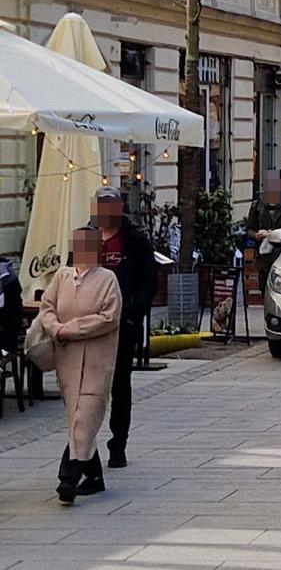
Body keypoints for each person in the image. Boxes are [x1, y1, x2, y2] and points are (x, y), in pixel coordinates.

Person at [37, 226, 122, 504]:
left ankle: (68, 478)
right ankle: (95, 477)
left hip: (97, 362)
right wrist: (55, 329)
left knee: (85, 418)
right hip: (68, 361)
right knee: (78, 420)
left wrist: (72, 328)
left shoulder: (107, 279)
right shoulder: (62, 276)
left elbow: (109, 317)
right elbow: (47, 308)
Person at [91, 186, 155, 470]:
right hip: (89, 326)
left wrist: (133, 312)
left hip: (122, 325)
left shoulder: (135, 240)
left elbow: (148, 281)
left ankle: (118, 444)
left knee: (119, 385)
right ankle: (85, 446)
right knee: (89, 389)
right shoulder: (87, 237)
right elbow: (72, 271)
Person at [247, 168, 281, 293]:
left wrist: (275, 235)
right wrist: (256, 235)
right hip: (263, 256)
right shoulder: (257, 206)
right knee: (264, 288)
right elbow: (249, 229)